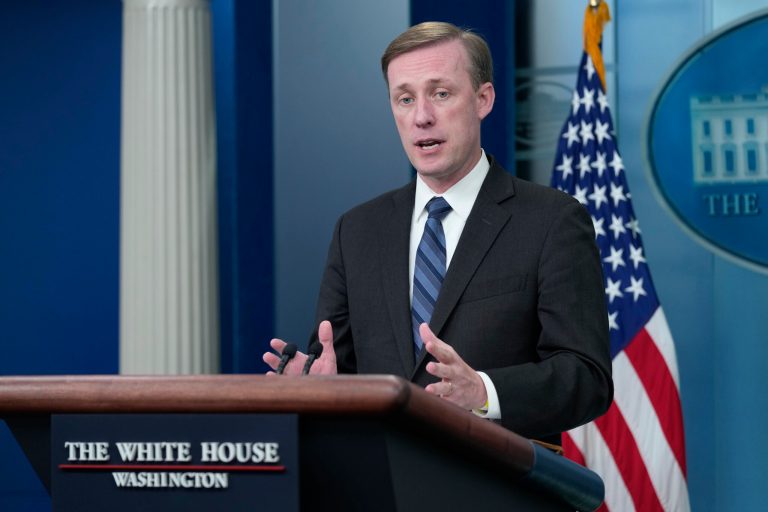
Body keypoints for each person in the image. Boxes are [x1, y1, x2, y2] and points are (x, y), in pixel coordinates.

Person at [264, 21, 612, 446]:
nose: (422, 117)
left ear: (483, 99)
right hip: (382, 476)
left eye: (441, 94)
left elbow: (587, 377)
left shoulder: (551, 221)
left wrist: (484, 392)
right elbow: (339, 366)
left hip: (497, 477)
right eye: (405, 99)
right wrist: (325, 389)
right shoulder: (356, 231)